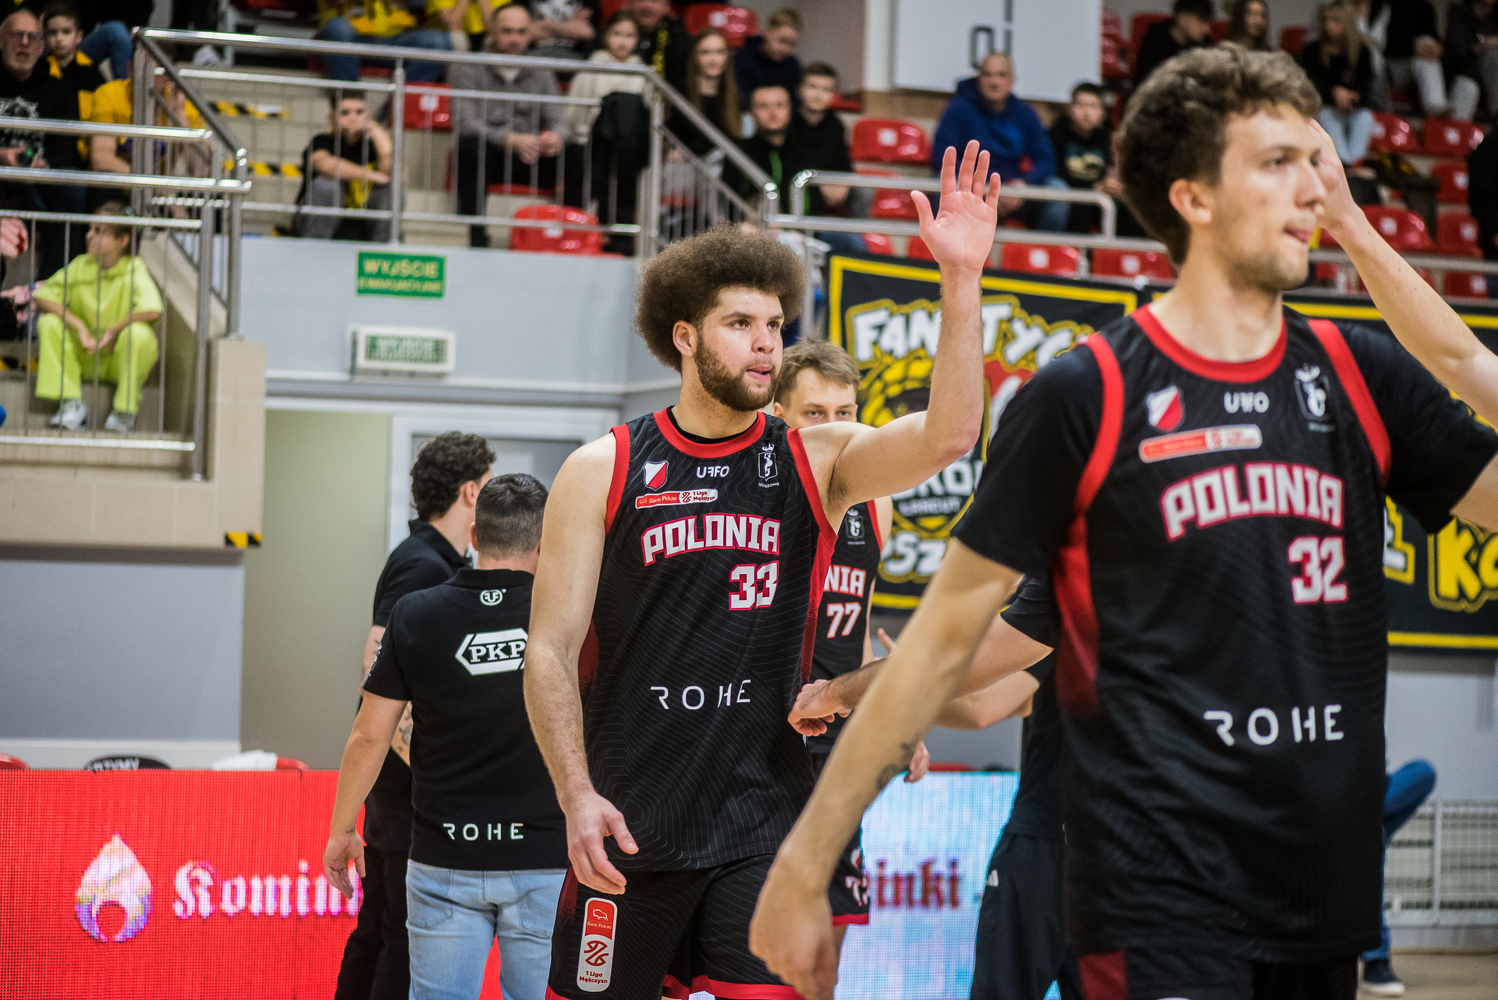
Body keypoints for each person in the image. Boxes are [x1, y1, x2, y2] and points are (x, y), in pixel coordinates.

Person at [750, 44, 1498, 1000]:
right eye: (1278, 163)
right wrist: (808, 858)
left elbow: (1476, 415)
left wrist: (1355, 227)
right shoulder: (1089, 393)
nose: (1313, 187)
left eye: (1314, 163)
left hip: (1318, 895)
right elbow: (945, 645)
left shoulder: (1361, 374)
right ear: (1193, 198)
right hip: (1155, 897)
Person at [524, 145, 999, 1000]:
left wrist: (961, 281)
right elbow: (549, 650)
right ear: (684, 337)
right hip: (633, 819)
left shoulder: (817, 458)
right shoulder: (603, 468)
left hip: (764, 825)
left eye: (775, 326)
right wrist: (575, 794)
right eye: (742, 324)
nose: (766, 344)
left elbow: (950, 437)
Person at [325, 474, 566, 1000]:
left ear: (475, 537)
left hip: (445, 857)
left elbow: (369, 736)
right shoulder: (568, 618)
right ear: (546, 542)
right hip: (545, 857)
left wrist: (343, 828)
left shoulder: (415, 614)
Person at [793, 577, 1075, 1000]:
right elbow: (1006, 699)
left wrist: (889, 690)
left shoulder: (1071, 581)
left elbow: (980, 701)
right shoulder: (1132, 591)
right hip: (1131, 836)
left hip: (1057, 838)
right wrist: (899, 690)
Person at [333, 431, 494, 1000]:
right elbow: (374, 678)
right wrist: (439, 764)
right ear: (471, 492)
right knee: (399, 937)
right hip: (406, 792)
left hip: (400, 789)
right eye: (489, 484)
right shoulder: (422, 566)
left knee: (380, 926)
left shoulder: (434, 559)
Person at [768, 340, 904, 962]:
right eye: (815, 414)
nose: (835, 427)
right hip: (764, 735)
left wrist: (890, 715)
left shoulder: (876, 500)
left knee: (830, 935)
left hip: (839, 745)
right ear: (778, 417)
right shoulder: (758, 495)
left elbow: (859, 616)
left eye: (845, 412)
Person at [450, 3, 583, 248]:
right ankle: (476, 234)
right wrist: (509, 139)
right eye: (507, 31)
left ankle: (572, 235)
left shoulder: (541, 71)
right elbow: (465, 123)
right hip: (492, 153)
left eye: (522, 32)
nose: (515, 39)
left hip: (531, 156)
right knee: (469, 148)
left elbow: (560, 120)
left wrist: (554, 137)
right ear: (492, 32)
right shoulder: (469, 67)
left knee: (577, 154)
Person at [34, 202, 160, 433]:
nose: (89, 236)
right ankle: (71, 404)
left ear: (123, 240)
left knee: (140, 334)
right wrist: (79, 326)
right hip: (82, 355)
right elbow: (42, 296)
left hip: (113, 358)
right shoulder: (81, 264)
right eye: (90, 229)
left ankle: (124, 412)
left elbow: (152, 309)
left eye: (99, 231)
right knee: (48, 321)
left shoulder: (134, 267)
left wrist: (113, 331)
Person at [931, 52, 1069, 233]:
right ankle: (947, 247)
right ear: (979, 78)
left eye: (1001, 75)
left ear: (1012, 79)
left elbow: (1047, 160)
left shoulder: (1026, 113)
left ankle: (1043, 250)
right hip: (971, 189)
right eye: (987, 75)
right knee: (943, 185)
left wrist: (1023, 185)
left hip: (1013, 192)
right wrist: (982, 187)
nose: (994, 82)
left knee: (1058, 190)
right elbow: (942, 157)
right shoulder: (957, 108)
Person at [0, 9, 84, 278]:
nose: (24, 43)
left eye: (32, 37)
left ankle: (54, 280)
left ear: (41, 46)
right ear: (1, 41)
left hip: (38, 180)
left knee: (72, 185)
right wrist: (2, 155)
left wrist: (42, 164)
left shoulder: (58, 89)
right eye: (16, 35)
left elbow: (68, 150)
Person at [1360, 759, 1438, 996]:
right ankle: (1376, 959)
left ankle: (1361, 816)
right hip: (1334, 800)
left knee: (1423, 771)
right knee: (1369, 833)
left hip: (1370, 794)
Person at [295, 92, 394, 243]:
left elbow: (389, 170)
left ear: (369, 115)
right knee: (327, 185)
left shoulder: (374, 146)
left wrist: (375, 129)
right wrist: (372, 175)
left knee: (391, 190)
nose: (353, 118)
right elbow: (324, 164)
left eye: (359, 112)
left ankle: (382, 248)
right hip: (317, 223)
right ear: (331, 118)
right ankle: (315, 246)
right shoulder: (322, 141)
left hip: (363, 223)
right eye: (345, 113)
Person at [1303, 1, 1375, 166]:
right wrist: (1334, 93)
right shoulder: (1313, 50)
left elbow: (1367, 89)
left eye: (1335, 20)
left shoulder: (1362, 52)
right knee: (1327, 114)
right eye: (1326, 20)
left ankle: (1355, 163)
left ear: (1347, 22)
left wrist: (1350, 97)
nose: (1329, 25)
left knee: (1366, 117)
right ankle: (1343, 163)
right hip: (1325, 109)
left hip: (1353, 110)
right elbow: (1309, 88)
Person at [314, 0, 453, 85]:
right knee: (336, 28)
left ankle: (395, 108)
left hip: (395, 40)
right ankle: (352, 102)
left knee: (439, 42)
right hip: (352, 41)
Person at [1048, 82, 1123, 233]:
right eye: (1081, 105)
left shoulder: (1105, 139)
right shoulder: (1057, 134)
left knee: (1125, 207)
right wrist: (1092, 187)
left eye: (1093, 107)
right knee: (1081, 204)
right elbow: (1055, 172)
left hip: (1099, 195)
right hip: (1071, 196)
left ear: (1103, 113)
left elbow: (1107, 170)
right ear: (1069, 108)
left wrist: (1111, 184)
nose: (1086, 113)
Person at [564, 11, 645, 145]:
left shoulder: (644, 72)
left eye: (630, 36)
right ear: (605, 35)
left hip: (630, 146)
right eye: (616, 34)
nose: (623, 42)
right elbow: (575, 111)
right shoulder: (591, 67)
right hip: (592, 143)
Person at [1358, 0, 1450, 117]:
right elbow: (1387, 45)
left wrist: (1435, 49)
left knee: (1427, 50)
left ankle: (1435, 105)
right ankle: (1379, 108)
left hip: (1412, 66)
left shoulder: (1426, 8)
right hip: (1389, 65)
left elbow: (1435, 40)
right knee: (1374, 58)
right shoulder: (1385, 6)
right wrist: (1412, 47)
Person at [724, 84, 811, 206]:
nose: (773, 113)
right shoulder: (738, 152)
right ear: (751, 112)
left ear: (790, 110)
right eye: (763, 106)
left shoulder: (804, 152)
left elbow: (815, 202)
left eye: (779, 105)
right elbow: (728, 202)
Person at [668, 26, 739, 158]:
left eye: (719, 52)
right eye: (705, 52)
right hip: (686, 164)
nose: (713, 59)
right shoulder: (679, 95)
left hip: (724, 164)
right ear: (694, 56)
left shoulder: (737, 97)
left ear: (727, 56)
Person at [42, 2, 101, 126]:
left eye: (66, 32)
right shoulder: (40, 71)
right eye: (53, 32)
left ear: (79, 36)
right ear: (45, 37)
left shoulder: (91, 72)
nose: (59, 38)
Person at [1132, 0, 1214, 87]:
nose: (1207, 29)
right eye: (1201, 22)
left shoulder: (1204, 43)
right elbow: (1147, 83)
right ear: (1182, 19)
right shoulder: (1155, 41)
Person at [733, 7, 801, 111]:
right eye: (782, 41)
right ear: (767, 32)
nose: (785, 49)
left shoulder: (793, 66)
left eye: (792, 44)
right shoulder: (743, 58)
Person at [1444, 0, 1498, 121]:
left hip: (1488, 83)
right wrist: (1486, 43)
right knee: (1493, 56)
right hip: (1463, 72)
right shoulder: (1459, 13)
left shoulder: (1494, 18)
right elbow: (1459, 53)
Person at [621, 0, 689, 90]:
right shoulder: (614, 33)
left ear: (666, 6)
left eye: (654, 1)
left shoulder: (678, 39)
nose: (647, 5)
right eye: (640, 0)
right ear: (628, 4)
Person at [527, 0, 600, 62]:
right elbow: (527, 30)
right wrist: (570, 27)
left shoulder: (588, 2)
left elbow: (587, 32)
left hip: (577, 57)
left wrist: (543, 25)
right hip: (532, 54)